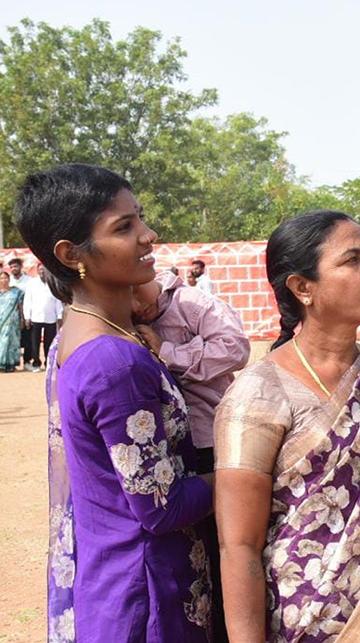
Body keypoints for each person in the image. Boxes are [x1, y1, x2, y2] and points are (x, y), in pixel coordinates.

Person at [214, 210, 360, 642]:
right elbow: (238, 546)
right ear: (303, 288)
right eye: (352, 260)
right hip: (312, 624)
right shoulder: (259, 395)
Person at [16, 163, 214, 642]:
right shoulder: (113, 361)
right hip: (147, 597)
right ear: (71, 254)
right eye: (124, 227)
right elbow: (161, 508)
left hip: (113, 572)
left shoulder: (78, 334)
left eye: (139, 218)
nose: (149, 235)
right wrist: (251, 472)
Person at [133, 269, 252, 642]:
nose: (133, 307)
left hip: (211, 440)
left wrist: (167, 352)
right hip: (168, 448)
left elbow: (236, 348)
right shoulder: (129, 318)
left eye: (136, 297)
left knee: (225, 545)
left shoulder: (193, 304)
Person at [22, 264, 65, 372]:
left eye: (44, 270)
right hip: (35, 317)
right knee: (34, 342)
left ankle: (48, 363)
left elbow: (57, 300)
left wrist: (59, 317)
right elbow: (27, 301)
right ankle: (36, 363)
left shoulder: (53, 282)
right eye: (40, 270)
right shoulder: (32, 283)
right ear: (37, 271)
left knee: (49, 342)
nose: (42, 272)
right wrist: (27, 317)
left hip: (50, 317)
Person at [8, 257, 34, 369]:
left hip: (26, 313)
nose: (14, 268)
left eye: (16, 266)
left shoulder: (29, 281)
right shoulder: (8, 280)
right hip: (10, 316)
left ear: (20, 267)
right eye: (12, 267)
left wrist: (25, 317)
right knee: (11, 340)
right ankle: (11, 362)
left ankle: (27, 362)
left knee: (27, 339)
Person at [0, 271, 24, 372]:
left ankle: (11, 364)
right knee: (2, 342)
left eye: (6, 278)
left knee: (13, 342)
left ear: (9, 279)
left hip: (13, 322)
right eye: (1, 278)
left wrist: (22, 319)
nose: (4, 280)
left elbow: (20, 306)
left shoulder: (16, 292)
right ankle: (1, 363)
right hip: (1, 321)